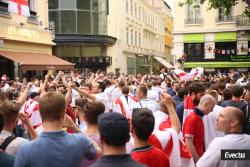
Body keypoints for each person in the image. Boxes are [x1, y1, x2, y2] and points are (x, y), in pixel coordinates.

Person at [14, 92, 99, 167]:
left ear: (40, 114)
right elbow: (98, 152)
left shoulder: (25, 149)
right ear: (63, 113)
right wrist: (76, 129)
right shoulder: (80, 141)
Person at [183, 95, 216, 162]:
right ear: (206, 104)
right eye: (212, 107)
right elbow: (189, 143)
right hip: (193, 161)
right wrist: (198, 162)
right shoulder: (193, 118)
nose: (212, 110)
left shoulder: (198, 117)